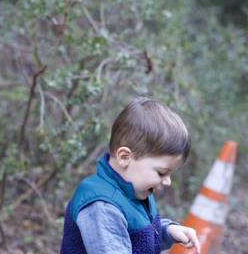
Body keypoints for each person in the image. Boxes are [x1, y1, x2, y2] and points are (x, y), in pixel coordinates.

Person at [60, 97, 200, 254]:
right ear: (125, 157)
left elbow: (141, 237)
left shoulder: (135, 191)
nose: (167, 181)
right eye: (161, 173)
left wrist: (169, 231)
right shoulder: (102, 207)